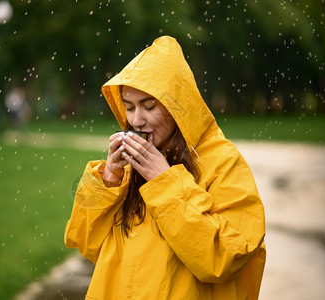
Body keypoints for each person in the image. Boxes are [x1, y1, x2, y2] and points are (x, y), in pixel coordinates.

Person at [64, 36, 266, 299]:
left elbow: (225, 258)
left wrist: (164, 181)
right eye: (129, 107)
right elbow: (85, 241)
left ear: (178, 107)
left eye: (149, 106)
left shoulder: (224, 162)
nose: (136, 120)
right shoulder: (127, 165)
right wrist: (108, 179)